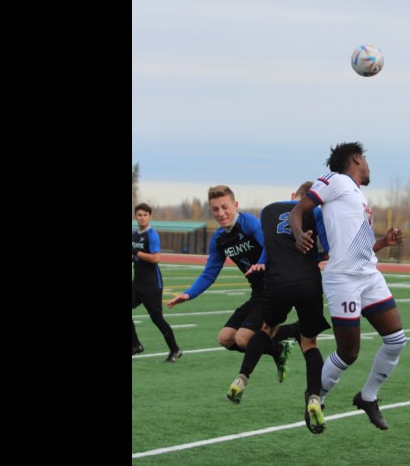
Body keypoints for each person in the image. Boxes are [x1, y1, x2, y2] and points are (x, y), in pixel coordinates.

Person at [289, 142, 406, 430]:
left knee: (396, 340)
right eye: (365, 159)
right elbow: (297, 211)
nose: (367, 166)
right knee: (348, 353)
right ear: (356, 158)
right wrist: (298, 234)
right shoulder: (336, 180)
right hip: (343, 279)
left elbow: (357, 247)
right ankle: (316, 398)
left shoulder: (357, 195)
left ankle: (368, 397)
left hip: (369, 275)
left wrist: (382, 243)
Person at [226, 182, 331, 434]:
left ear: (294, 195)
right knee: (310, 343)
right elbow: (327, 251)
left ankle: (242, 379)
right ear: (314, 199)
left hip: (276, 282)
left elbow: (269, 248)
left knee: (266, 329)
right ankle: (314, 399)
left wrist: (263, 263)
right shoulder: (317, 212)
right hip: (307, 281)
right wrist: (313, 259)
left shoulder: (268, 210)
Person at [166, 185, 299, 378]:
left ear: (235, 205)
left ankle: (294, 330)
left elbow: (270, 246)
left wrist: (261, 264)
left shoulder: (249, 223)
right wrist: (188, 293)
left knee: (244, 339)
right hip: (257, 293)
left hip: (274, 288)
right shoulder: (219, 239)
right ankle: (278, 349)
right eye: (215, 209)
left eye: (224, 207)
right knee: (225, 339)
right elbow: (209, 273)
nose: (221, 213)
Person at [132, 203, 183, 362]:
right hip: (137, 283)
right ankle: (135, 345)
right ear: (135, 216)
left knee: (157, 318)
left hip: (152, 285)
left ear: (149, 216)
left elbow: (156, 258)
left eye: (145, 215)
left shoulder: (152, 235)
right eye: (139, 215)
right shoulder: (134, 234)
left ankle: (175, 349)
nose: (142, 217)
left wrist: (136, 252)